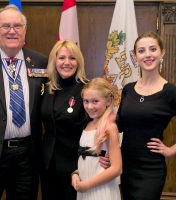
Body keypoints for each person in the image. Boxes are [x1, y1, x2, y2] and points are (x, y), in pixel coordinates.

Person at [0, 5, 47, 200]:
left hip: (27, 155)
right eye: (6, 26)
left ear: (25, 30)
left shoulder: (41, 62)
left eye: (17, 26)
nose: (12, 31)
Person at [40, 40, 110, 200]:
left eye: (72, 58)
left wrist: (106, 153)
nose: (66, 62)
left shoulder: (87, 89)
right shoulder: (46, 88)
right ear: (54, 61)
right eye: (61, 58)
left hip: (78, 166)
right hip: (48, 165)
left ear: (79, 62)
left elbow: (105, 122)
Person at [117, 31, 176, 200]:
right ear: (135, 56)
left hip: (151, 168)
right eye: (141, 51)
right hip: (126, 165)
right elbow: (119, 124)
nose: (147, 55)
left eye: (153, 49)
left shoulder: (170, 92)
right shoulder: (128, 89)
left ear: (162, 53)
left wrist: (171, 150)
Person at [71, 77, 122, 200]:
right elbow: (87, 159)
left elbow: (116, 168)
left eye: (95, 101)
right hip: (84, 189)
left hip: (101, 190)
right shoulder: (88, 124)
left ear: (108, 101)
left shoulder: (109, 128)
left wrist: (87, 185)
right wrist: (76, 174)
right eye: (86, 101)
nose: (89, 106)